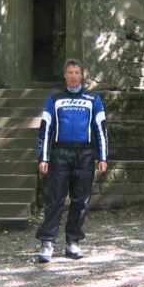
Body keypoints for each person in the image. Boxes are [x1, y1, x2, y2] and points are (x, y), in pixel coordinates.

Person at [35, 59, 109, 262]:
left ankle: (73, 242)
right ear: (65, 75)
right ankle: (47, 243)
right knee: (55, 199)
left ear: (81, 75)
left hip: (85, 155)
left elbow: (100, 128)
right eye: (70, 72)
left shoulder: (93, 99)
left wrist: (102, 156)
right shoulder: (55, 98)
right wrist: (44, 157)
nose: (74, 75)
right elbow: (46, 129)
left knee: (80, 201)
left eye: (77, 72)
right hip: (60, 154)